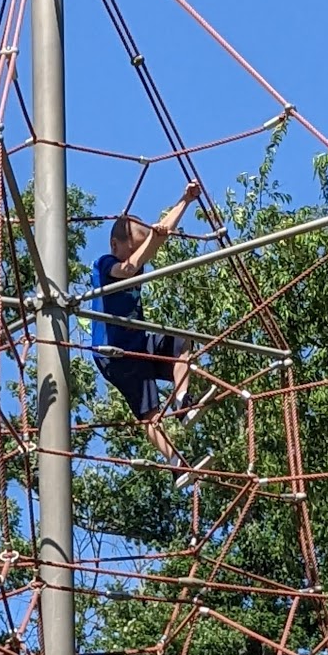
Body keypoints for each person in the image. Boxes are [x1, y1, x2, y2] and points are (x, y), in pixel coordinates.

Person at [89, 183, 204, 476]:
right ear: (116, 246)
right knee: (149, 413)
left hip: (139, 342)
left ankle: (182, 401)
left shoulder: (135, 260)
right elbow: (127, 269)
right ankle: (177, 464)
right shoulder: (105, 264)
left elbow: (159, 236)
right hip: (115, 355)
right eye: (133, 249)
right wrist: (151, 241)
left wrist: (185, 201)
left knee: (182, 342)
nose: (137, 257)